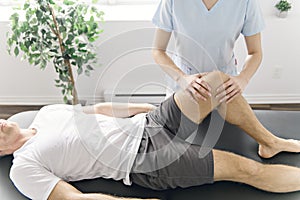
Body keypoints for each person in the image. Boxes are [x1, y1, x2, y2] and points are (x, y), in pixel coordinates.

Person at [1, 71, 300, 200]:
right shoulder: (23, 166)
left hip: (149, 122)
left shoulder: (45, 112)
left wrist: (146, 108)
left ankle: (270, 142)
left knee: (216, 82)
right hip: (144, 159)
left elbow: (97, 110)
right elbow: (71, 198)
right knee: (244, 169)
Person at [152, 0, 265, 102]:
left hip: (224, 87)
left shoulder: (246, 2)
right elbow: (158, 50)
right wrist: (182, 78)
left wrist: (243, 78)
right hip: (184, 83)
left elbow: (255, 52)